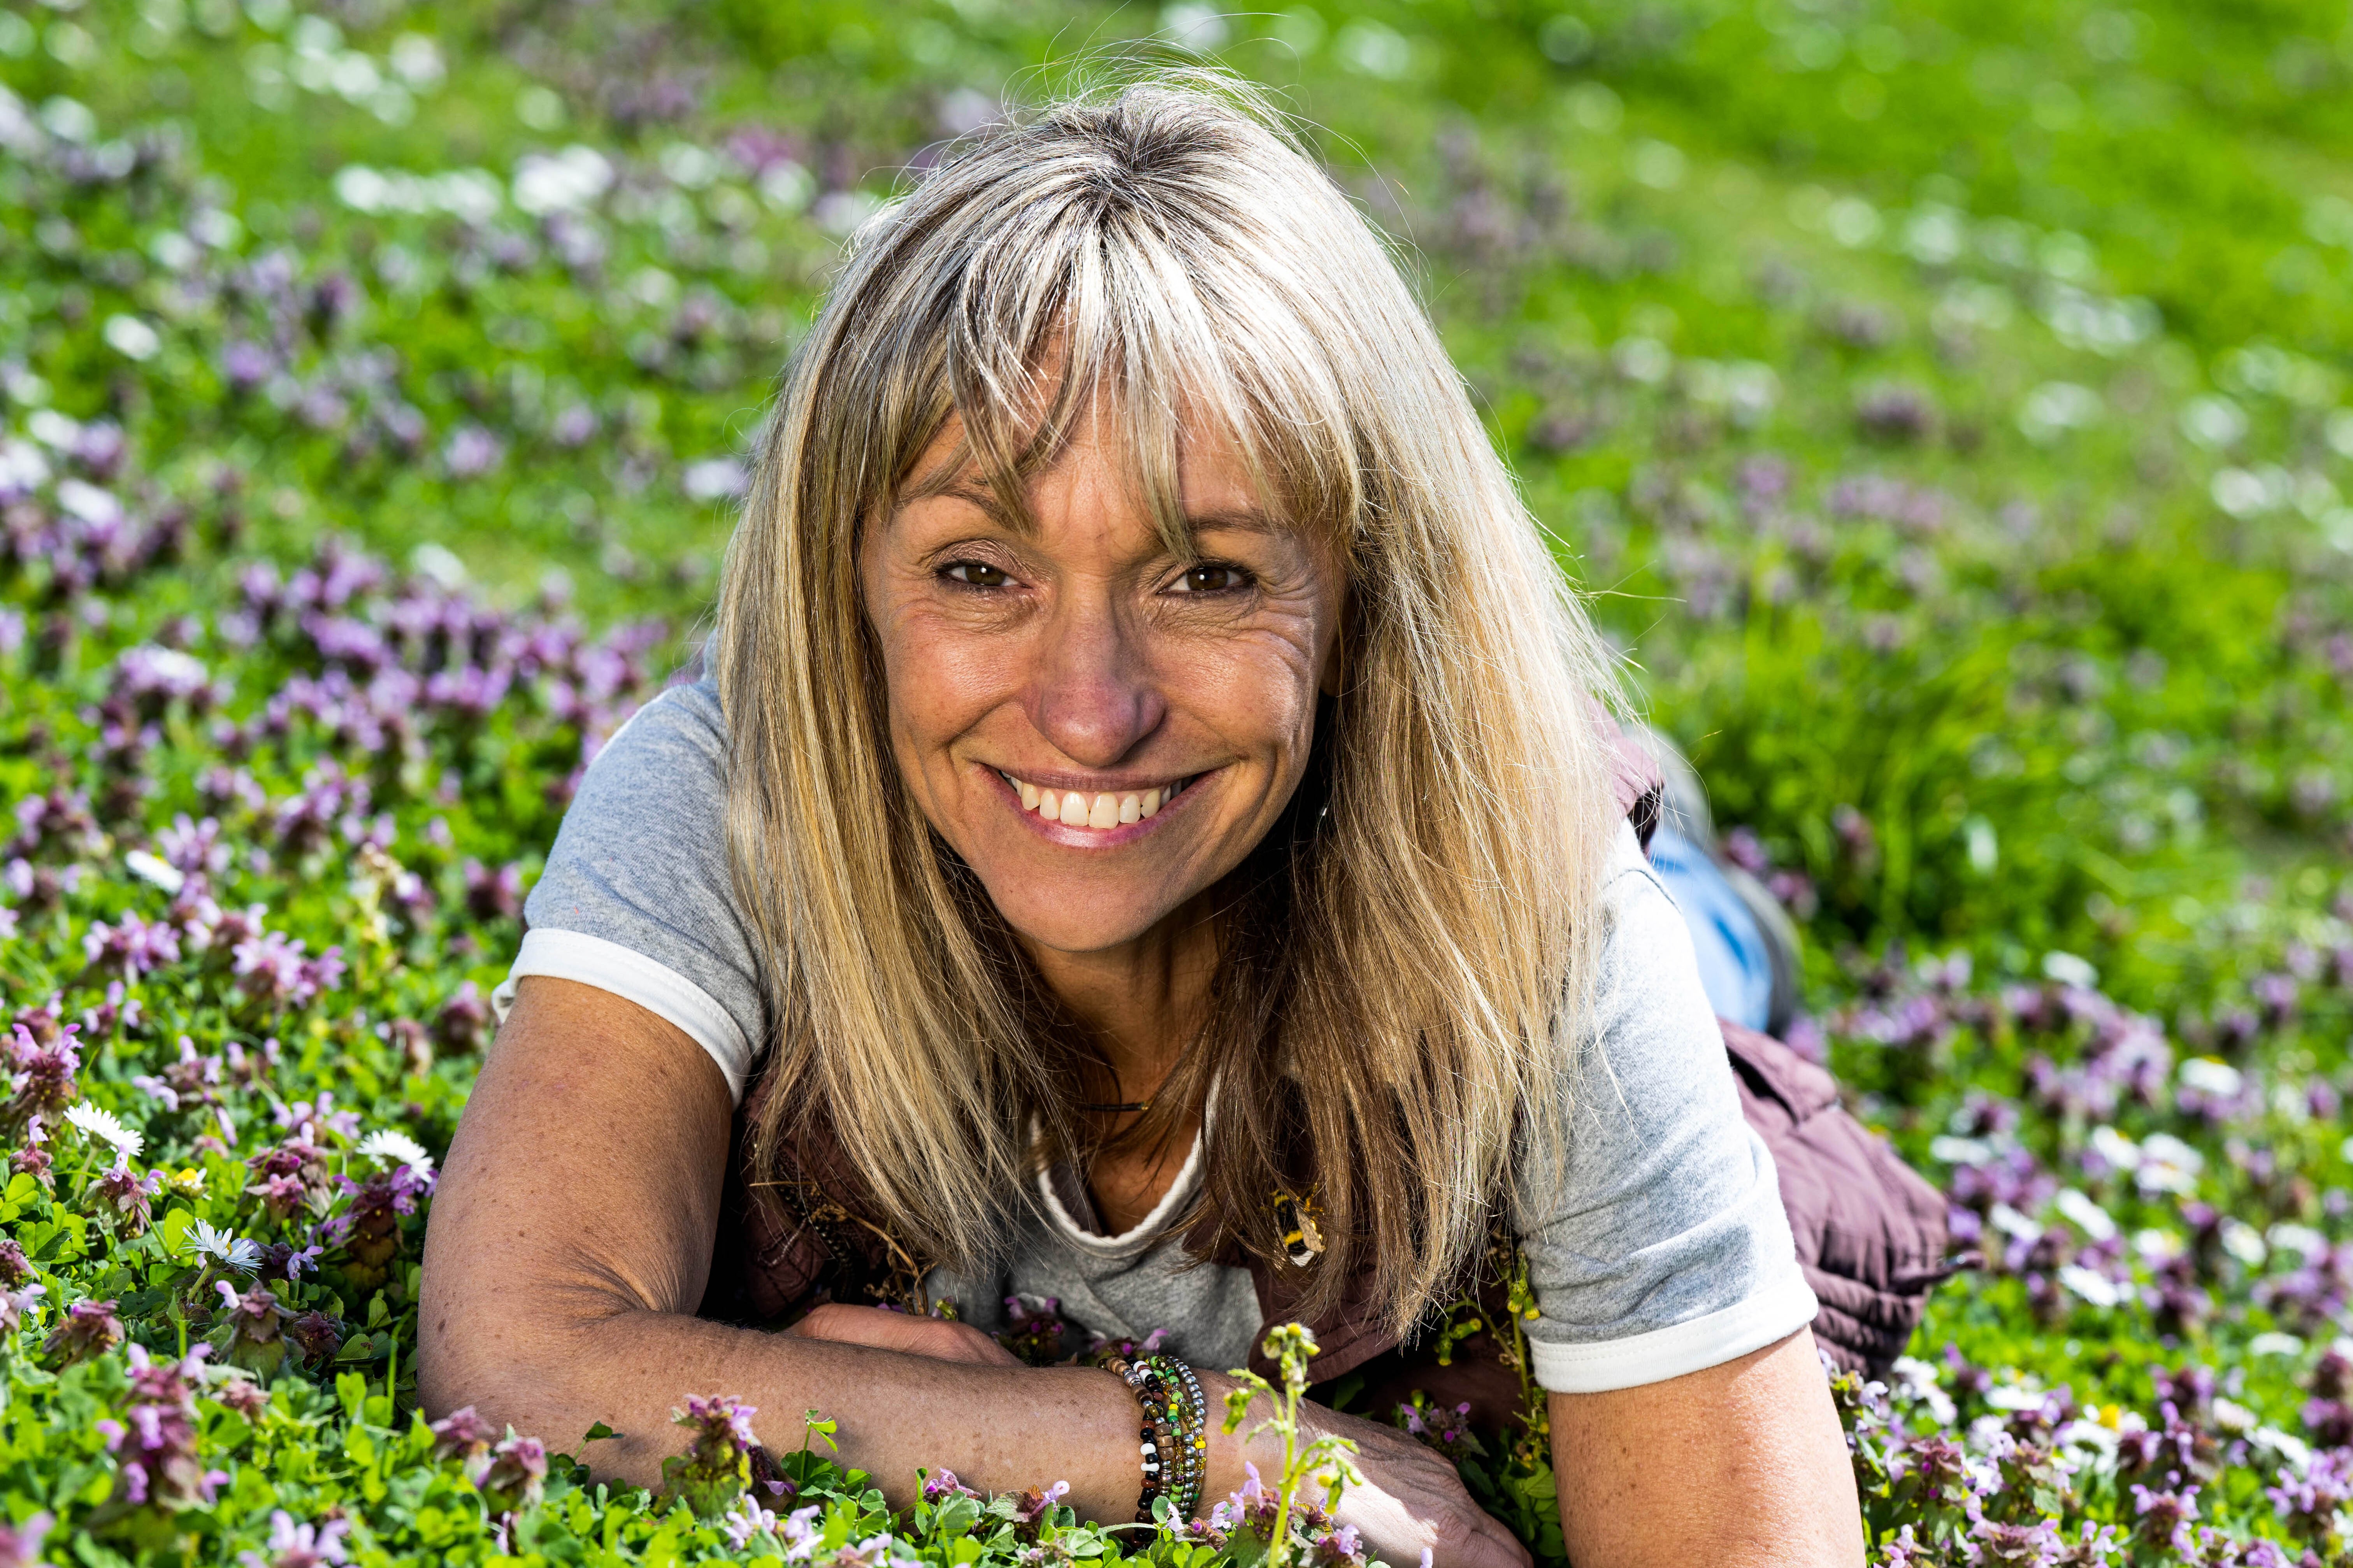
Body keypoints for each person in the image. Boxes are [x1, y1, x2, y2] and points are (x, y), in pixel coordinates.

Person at [419, 79, 1867, 1567]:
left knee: (1688, 953)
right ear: (844, 586)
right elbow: (520, 1362)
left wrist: (861, 1418)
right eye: (979, 572)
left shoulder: (1539, 903)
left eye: (1209, 578)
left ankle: (1708, 892)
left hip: (1557, 889)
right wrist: (1205, 1444)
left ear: (1368, 599)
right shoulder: (734, 778)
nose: (1091, 714)